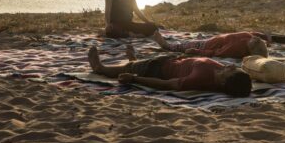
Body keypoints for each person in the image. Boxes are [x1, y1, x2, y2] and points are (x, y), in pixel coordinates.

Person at [87, 46, 252, 97]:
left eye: (232, 70)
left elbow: (166, 84)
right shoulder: (221, 71)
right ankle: (133, 60)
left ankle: (99, 67)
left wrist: (135, 79)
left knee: (123, 69)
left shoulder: (200, 79)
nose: (230, 66)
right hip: (173, 58)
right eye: (233, 67)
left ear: (224, 82)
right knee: (136, 63)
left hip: (157, 68)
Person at [153, 30, 269, 59]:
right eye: (258, 39)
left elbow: (216, 53)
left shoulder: (236, 49)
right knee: (194, 41)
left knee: (185, 45)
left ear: (251, 48)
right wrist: (264, 36)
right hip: (214, 39)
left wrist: (196, 52)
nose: (256, 38)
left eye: (257, 40)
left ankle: (166, 46)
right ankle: (198, 39)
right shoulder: (249, 37)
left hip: (207, 45)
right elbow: (253, 33)